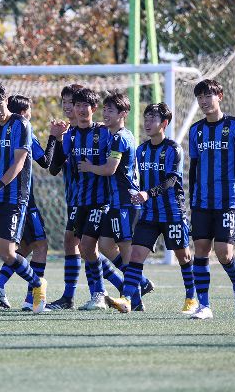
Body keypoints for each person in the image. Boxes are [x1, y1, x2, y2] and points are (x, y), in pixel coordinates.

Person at [0, 94, 58, 311]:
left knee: (8, 252)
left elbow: (20, 163)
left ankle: (38, 284)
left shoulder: (21, 125)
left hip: (13, 198)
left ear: (5, 100)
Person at [113, 103, 198, 314]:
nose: (148, 123)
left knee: (183, 257)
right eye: (146, 118)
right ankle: (127, 298)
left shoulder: (173, 149)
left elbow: (171, 180)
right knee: (135, 255)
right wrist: (135, 193)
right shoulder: (141, 150)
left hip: (172, 212)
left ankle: (191, 297)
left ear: (164, 123)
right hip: (149, 213)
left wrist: (147, 194)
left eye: (153, 119)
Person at [77, 91, 153, 313]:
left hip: (126, 203)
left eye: (110, 110)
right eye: (105, 109)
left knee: (127, 252)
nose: (105, 114)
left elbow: (110, 169)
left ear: (123, 113)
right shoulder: (117, 135)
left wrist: (89, 167)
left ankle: (133, 299)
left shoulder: (119, 138)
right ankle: (140, 283)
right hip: (116, 203)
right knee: (106, 245)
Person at [188, 79, 235, 320]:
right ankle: (204, 305)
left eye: (208, 96)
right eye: (200, 97)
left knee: (224, 253)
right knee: (201, 250)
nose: (204, 101)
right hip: (202, 201)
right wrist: (192, 198)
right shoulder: (196, 130)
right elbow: (193, 166)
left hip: (227, 199)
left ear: (220, 96)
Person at [50, 87, 113, 310]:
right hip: (78, 201)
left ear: (94, 108)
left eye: (84, 105)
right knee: (82, 246)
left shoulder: (105, 132)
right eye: (75, 105)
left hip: (101, 200)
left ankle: (110, 290)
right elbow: (54, 167)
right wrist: (57, 139)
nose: (78, 109)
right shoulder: (70, 135)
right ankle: (121, 287)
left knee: (90, 246)